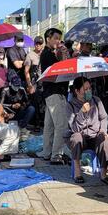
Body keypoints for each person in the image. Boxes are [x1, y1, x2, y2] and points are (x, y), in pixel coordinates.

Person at [65, 77, 108, 185]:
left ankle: (103, 174)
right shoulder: (70, 105)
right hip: (80, 137)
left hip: (95, 135)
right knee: (76, 137)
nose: (89, 91)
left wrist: (103, 131)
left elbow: (104, 117)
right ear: (77, 91)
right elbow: (74, 128)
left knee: (105, 140)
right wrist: (82, 113)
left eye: (90, 88)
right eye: (85, 89)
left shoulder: (96, 101)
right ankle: (78, 173)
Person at [40, 28, 70, 163]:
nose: (58, 41)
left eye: (59, 38)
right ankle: (56, 155)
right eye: (56, 38)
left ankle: (47, 152)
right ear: (48, 38)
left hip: (51, 92)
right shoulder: (47, 54)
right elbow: (59, 70)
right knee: (61, 125)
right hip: (54, 92)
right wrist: (63, 58)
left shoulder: (50, 53)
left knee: (50, 125)